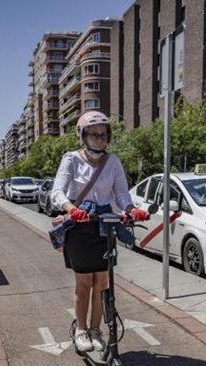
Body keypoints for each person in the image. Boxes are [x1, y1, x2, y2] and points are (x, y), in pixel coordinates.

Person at [50, 111, 148, 352]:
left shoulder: (112, 162)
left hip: (105, 225)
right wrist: (71, 209)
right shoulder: (71, 159)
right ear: (83, 136)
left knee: (102, 282)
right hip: (81, 225)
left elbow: (122, 194)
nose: (99, 139)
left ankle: (96, 330)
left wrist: (131, 209)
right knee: (84, 283)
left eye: (103, 135)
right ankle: (81, 330)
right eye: (93, 135)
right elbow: (57, 192)